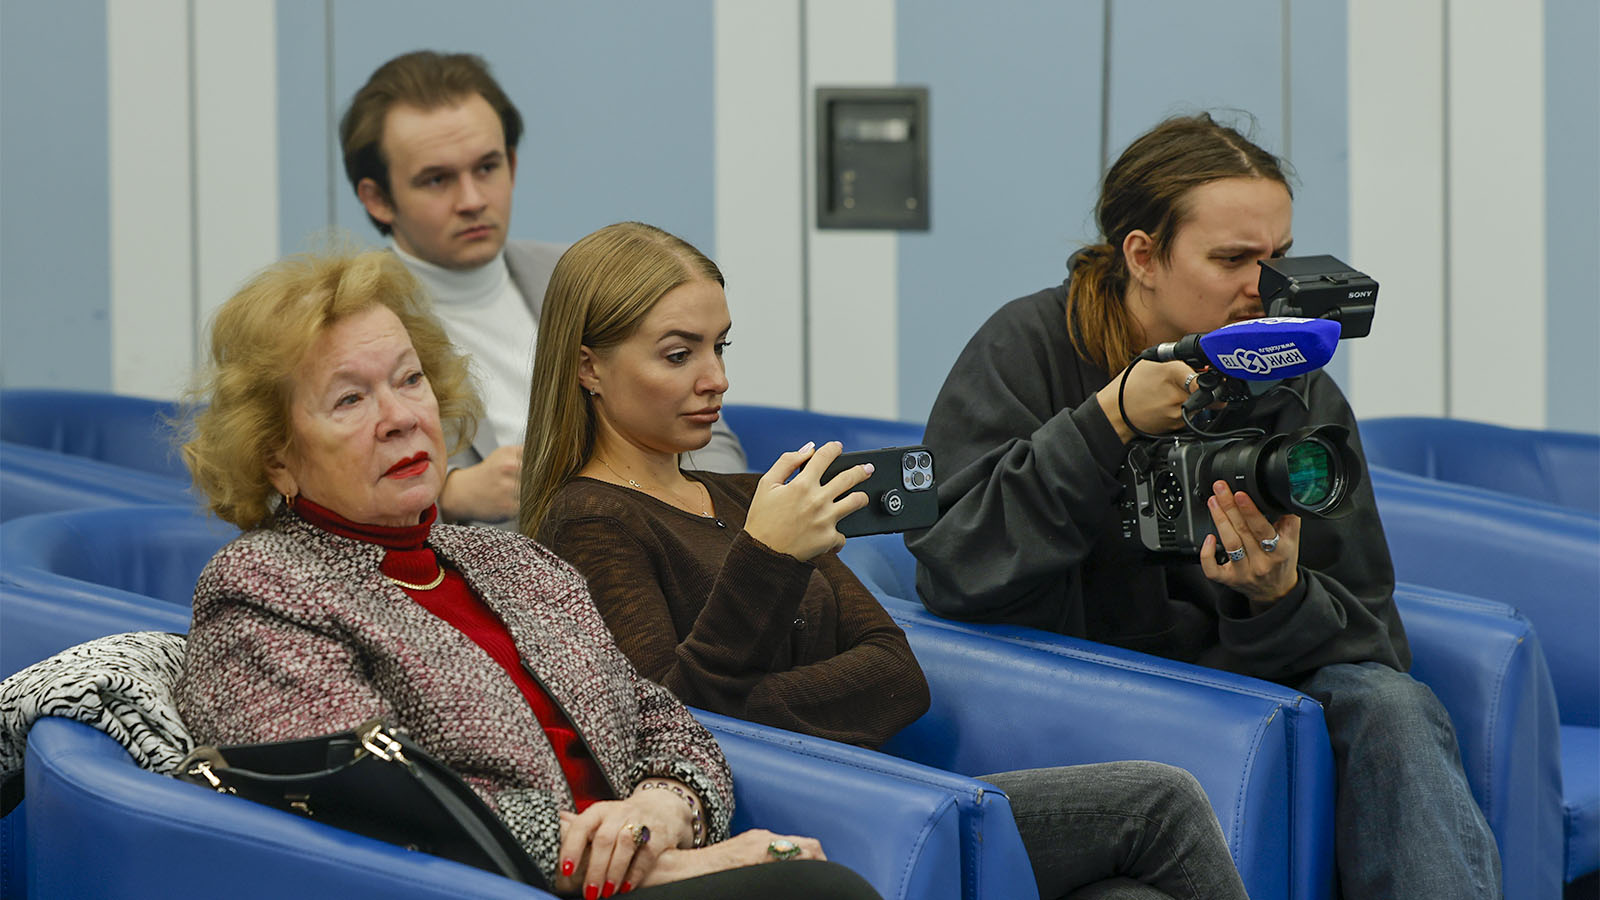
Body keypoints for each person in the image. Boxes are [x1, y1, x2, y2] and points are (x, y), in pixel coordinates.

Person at [519, 221, 1254, 900]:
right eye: (679, 354)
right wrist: (769, 560)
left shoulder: (748, 494)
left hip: (883, 786)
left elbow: (897, 674)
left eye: (721, 347)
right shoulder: (590, 521)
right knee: (1160, 800)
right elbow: (671, 725)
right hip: (810, 824)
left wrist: (761, 688)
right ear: (589, 367)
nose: (716, 378)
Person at [906, 113, 1501, 898]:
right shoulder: (1030, 346)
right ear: (1143, 256)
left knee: (1392, 704)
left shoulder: (1288, 371)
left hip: (1241, 686)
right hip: (1080, 693)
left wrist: (1277, 597)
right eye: (1232, 259)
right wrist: (1108, 421)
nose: (1266, 287)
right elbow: (955, 565)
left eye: (1278, 256)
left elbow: (1375, 634)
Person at [174, 248, 878, 900]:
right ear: (275, 456)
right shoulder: (263, 586)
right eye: (350, 399)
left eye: (410, 379)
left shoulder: (514, 562)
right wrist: (666, 864)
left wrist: (665, 808)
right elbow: (371, 800)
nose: (400, 417)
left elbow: (666, 721)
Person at [338, 50, 746, 526]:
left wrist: (698, 527)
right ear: (377, 199)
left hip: (646, 541)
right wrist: (446, 495)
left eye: (487, 168)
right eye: (437, 179)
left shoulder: (585, 273)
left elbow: (713, 442)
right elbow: (294, 496)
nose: (472, 200)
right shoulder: (347, 323)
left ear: (511, 164)